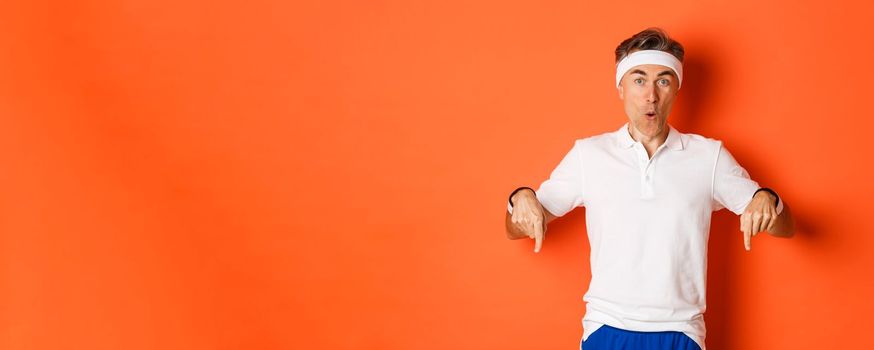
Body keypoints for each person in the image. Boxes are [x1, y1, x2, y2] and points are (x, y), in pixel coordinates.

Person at [504, 28, 795, 350]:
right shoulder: (589, 155)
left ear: (676, 90)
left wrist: (767, 198)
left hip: (681, 330)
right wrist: (520, 196)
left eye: (664, 81)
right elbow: (517, 229)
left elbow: (785, 227)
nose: (651, 95)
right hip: (606, 326)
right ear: (621, 88)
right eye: (639, 80)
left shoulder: (708, 156)